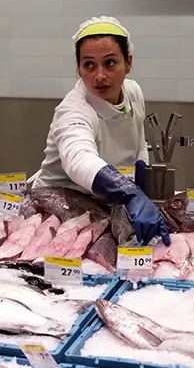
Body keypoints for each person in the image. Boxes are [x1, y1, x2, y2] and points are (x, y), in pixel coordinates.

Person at [28, 16, 170, 247]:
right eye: (89, 65)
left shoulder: (133, 92)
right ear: (79, 68)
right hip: (55, 209)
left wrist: (142, 186)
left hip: (103, 203)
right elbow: (78, 159)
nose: (100, 76)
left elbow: (138, 144)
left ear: (129, 63)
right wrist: (129, 194)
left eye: (110, 63)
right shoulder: (74, 110)